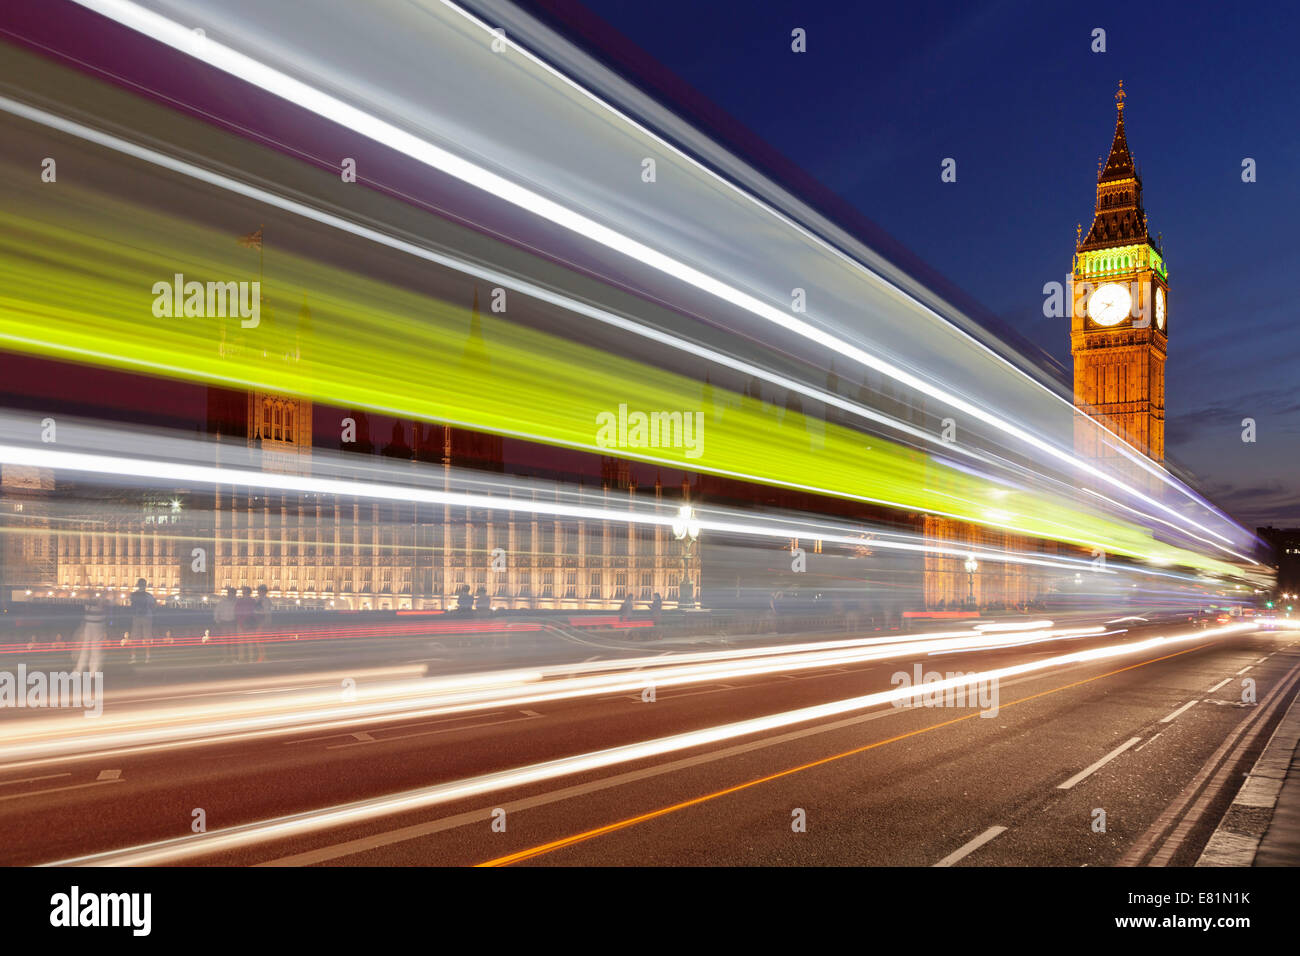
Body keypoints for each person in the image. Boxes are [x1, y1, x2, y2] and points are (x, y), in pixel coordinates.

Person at [74, 595, 109, 674]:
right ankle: (93, 671)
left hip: (89, 625)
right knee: (95, 649)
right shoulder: (101, 602)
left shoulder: (88, 602)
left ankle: (80, 670)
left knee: (86, 649)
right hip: (97, 625)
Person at [129, 578, 155, 665]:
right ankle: (147, 657)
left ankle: (133, 657)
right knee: (147, 637)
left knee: (134, 638)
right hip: (147, 617)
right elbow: (152, 606)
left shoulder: (133, 595)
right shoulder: (149, 596)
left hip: (137, 616)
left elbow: (132, 605)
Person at [213, 587, 237, 662]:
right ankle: (225, 658)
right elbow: (217, 611)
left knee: (232, 642)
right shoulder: (222, 602)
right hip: (224, 623)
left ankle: (232, 658)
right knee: (225, 642)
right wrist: (217, 621)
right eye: (230, 593)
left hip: (232, 622)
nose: (231, 595)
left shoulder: (236, 601)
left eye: (232, 593)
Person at [234, 586, 257, 663]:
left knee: (246, 642)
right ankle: (248, 658)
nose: (244, 593)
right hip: (244, 623)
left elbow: (236, 611)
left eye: (244, 592)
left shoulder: (244, 601)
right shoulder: (252, 601)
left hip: (246, 623)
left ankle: (247, 658)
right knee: (245, 642)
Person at [254, 584, 273, 663]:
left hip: (263, 621)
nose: (258, 592)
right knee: (259, 640)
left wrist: (257, 612)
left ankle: (262, 657)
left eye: (260, 591)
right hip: (259, 621)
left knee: (260, 640)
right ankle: (262, 656)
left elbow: (266, 611)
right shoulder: (258, 599)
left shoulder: (266, 600)